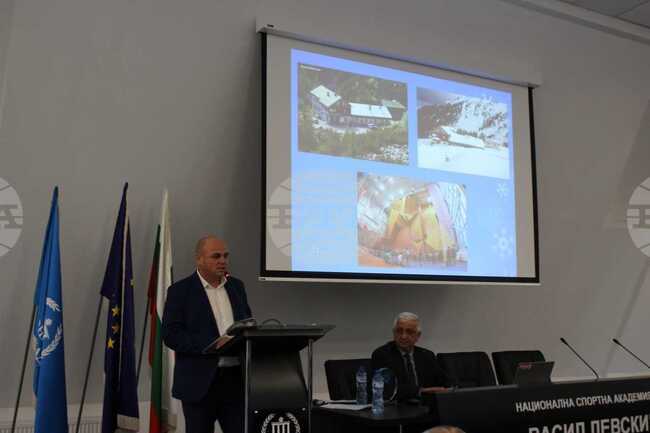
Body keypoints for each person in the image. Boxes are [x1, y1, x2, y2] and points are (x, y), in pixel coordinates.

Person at [162, 236, 252, 433]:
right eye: (216, 256)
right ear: (199, 259)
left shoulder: (237, 287)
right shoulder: (180, 291)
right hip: (199, 382)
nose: (223, 261)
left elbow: (247, 324)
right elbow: (171, 334)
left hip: (235, 382)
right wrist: (211, 345)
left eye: (226, 256)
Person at [371, 312, 449, 402]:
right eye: (399, 331)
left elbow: (444, 380)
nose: (403, 336)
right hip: (398, 406)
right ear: (394, 333)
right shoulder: (382, 354)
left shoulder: (427, 355)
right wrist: (420, 391)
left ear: (418, 336)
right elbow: (388, 389)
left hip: (427, 405)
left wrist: (452, 388)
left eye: (409, 332)